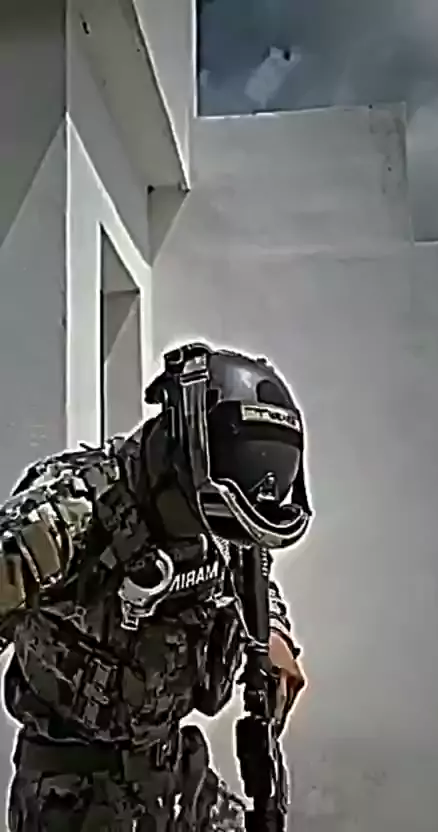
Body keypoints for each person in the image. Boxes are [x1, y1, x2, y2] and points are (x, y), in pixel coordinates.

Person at [0, 341, 313, 831]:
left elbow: (252, 576)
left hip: (175, 777)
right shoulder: (68, 515)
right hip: (73, 798)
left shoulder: (223, 518)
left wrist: (272, 633)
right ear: (186, 450)